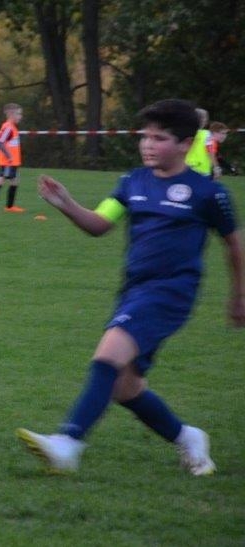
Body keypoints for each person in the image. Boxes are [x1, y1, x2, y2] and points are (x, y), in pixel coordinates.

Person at [16, 99, 245, 475]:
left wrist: (239, 296)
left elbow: (234, 244)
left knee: (107, 356)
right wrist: (66, 203)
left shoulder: (207, 193)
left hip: (171, 293)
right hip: (134, 290)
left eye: (159, 138)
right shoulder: (133, 181)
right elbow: (100, 224)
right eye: (145, 137)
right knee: (125, 387)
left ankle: (68, 443)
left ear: (186, 144)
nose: (148, 145)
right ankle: (187, 437)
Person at [185, 107, 214, 177]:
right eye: (205, 119)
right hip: (203, 168)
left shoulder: (184, 132)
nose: (205, 121)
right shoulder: (206, 134)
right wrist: (215, 166)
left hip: (187, 167)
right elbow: (210, 151)